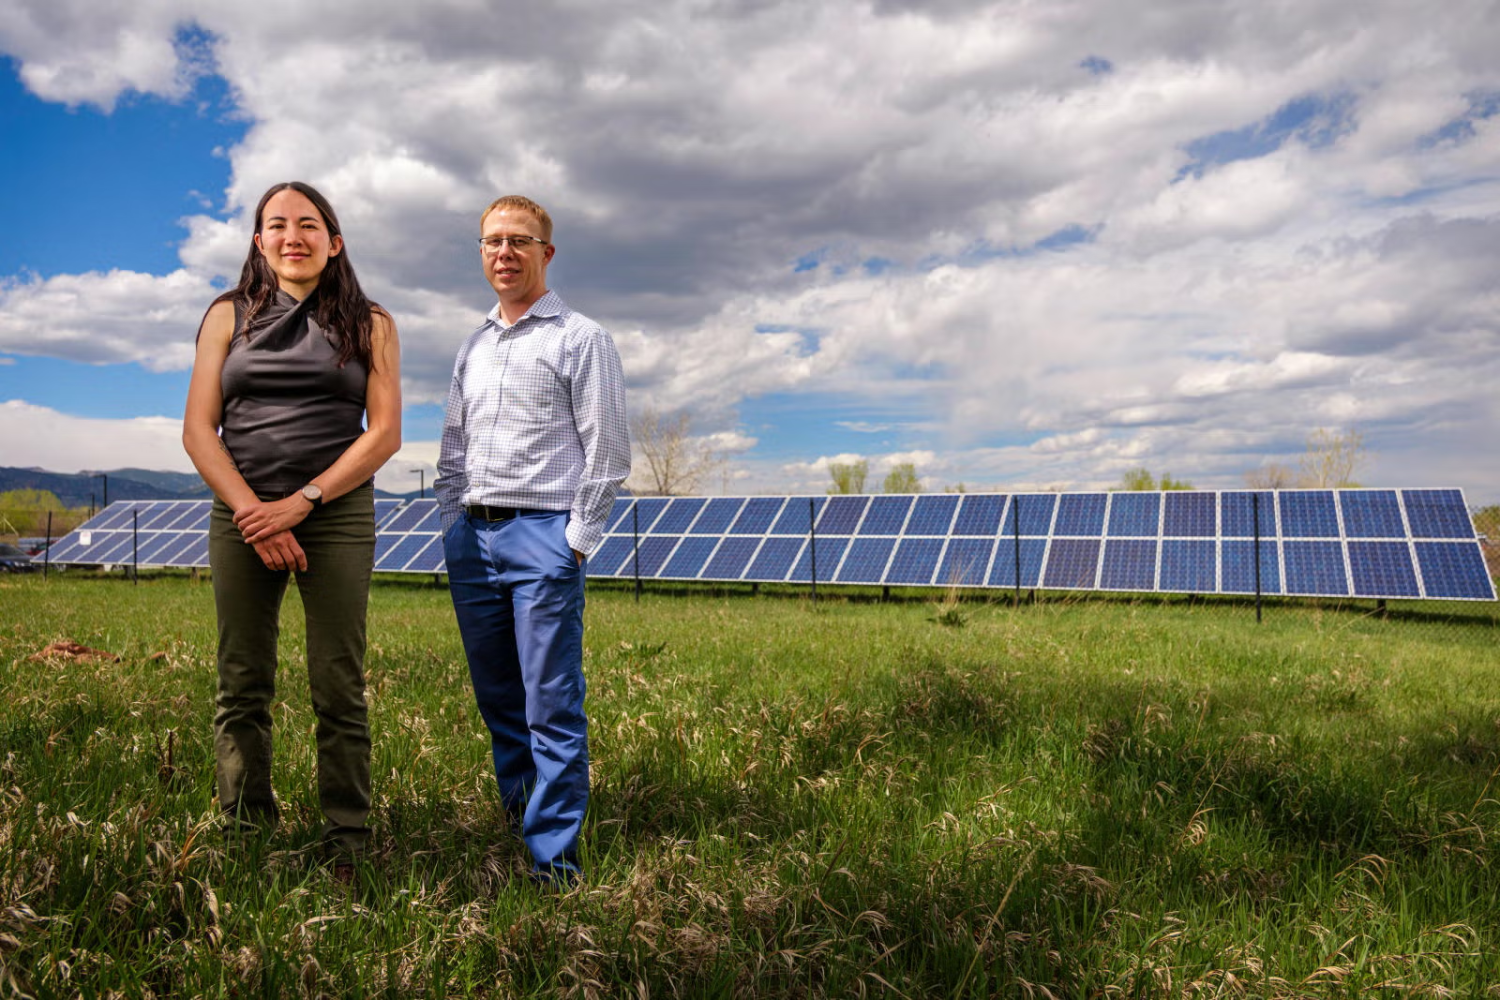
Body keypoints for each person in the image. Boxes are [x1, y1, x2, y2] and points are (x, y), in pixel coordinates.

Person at [182, 181, 402, 858]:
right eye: (276, 224)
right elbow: (197, 429)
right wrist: (256, 514)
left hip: (333, 514)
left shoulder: (372, 322)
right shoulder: (225, 316)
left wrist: (302, 502)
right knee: (241, 678)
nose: (292, 236)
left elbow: (385, 433)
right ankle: (245, 829)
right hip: (243, 514)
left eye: (308, 225)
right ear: (259, 242)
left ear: (333, 243)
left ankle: (348, 835)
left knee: (338, 679)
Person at [435, 195, 629, 885]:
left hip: (544, 536)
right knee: (500, 702)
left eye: (520, 241)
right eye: (492, 241)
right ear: (482, 253)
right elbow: (453, 446)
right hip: (473, 537)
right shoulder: (472, 345)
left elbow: (608, 452)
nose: (504, 253)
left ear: (547, 253)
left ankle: (553, 867)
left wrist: (575, 540)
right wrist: (451, 523)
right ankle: (519, 826)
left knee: (550, 705)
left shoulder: (581, 337)